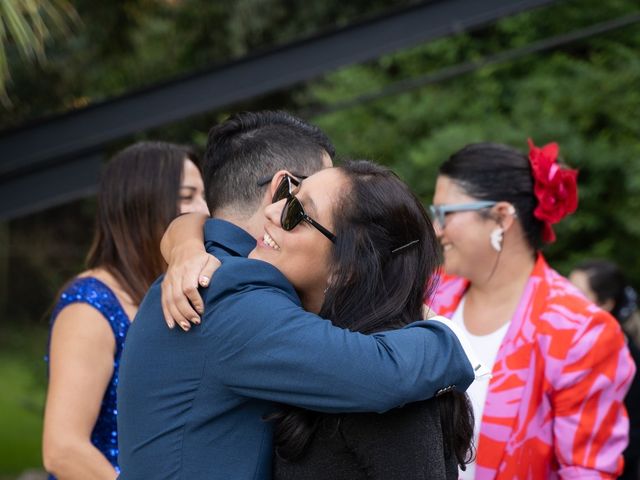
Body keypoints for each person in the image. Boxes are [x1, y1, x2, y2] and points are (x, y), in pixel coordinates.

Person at [116, 111, 479, 480]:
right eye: (294, 198)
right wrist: (449, 338)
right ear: (280, 185)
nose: (277, 211)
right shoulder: (230, 289)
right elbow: (378, 373)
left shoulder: (209, 267)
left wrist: (183, 237)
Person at [428, 140, 635, 479]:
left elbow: (586, 470)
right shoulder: (430, 292)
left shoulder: (580, 331)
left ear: (501, 217)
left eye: (445, 214)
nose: (436, 230)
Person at [270, 160, 474, 480]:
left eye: (297, 213)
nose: (271, 212)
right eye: (286, 192)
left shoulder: (388, 386)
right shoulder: (312, 350)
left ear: (347, 267)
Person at [42, 141, 209, 480]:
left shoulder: (168, 290)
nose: (204, 210)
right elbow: (63, 449)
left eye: (204, 195)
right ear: (141, 202)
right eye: (188, 195)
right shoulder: (90, 304)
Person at [569, 259, 640, 480]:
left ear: (606, 304)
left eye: (578, 294)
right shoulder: (569, 343)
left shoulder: (622, 354)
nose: (566, 299)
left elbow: (632, 430)